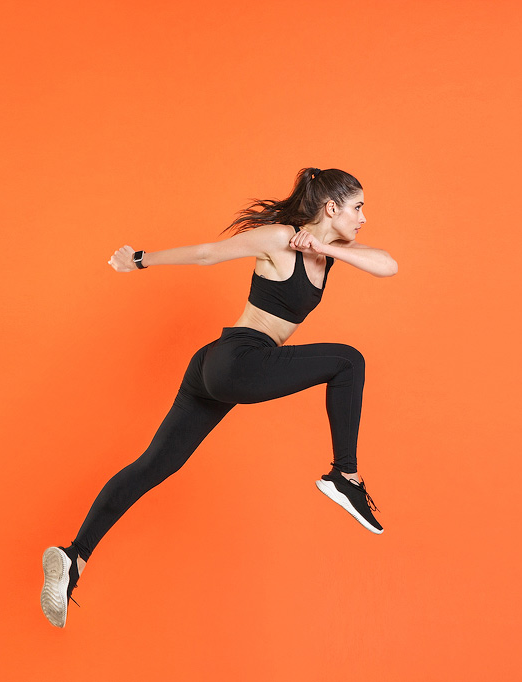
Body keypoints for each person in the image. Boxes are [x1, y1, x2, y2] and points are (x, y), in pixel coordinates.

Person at [40, 167, 397, 628]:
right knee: (348, 360)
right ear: (332, 208)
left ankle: (74, 559)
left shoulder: (333, 252)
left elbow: (389, 264)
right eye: (358, 207)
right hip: (239, 360)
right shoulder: (278, 238)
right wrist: (140, 259)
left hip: (216, 366)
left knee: (155, 464)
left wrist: (325, 247)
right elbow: (210, 253)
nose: (364, 218)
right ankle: (344, 476)